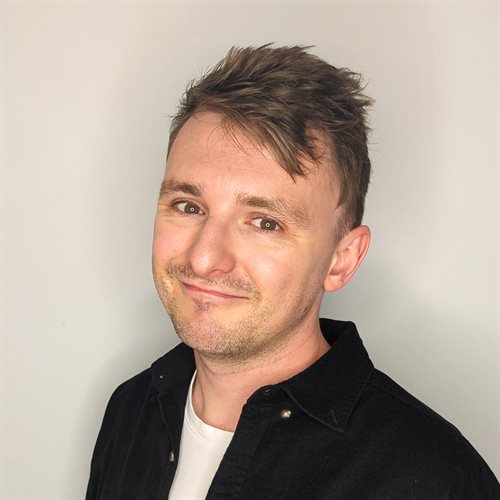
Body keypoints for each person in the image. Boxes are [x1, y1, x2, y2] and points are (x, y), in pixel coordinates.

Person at [86, 44, 499, 499]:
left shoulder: (435, 480)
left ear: (342, 259)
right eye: (188, 206)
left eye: (265, 223)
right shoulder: (130, 409)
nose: (204, 259)